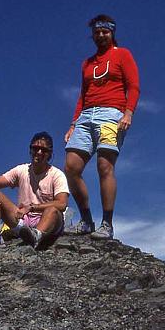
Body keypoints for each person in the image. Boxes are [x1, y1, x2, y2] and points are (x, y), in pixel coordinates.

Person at [63, 14, 140, 240]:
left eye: (104, 31)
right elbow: (82, 95)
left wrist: (128, 112)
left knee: (104, 167)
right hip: (86, 115)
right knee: (71, 167)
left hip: (111, 114)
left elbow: (134, 86)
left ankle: (107, 224)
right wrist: (73, 123)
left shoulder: (122, 54)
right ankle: (86, 220)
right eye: (97, 32)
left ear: (112, 32)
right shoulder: (87, 63)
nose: (100, 35)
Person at [0, 132, 69, 249]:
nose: (39, 152)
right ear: (30, 150)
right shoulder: (21, 170)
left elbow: (62, 203)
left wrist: (32, 207)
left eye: (43, 150)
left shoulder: (57, 175)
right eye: (36, 148)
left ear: (49, 154)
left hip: (48, 220)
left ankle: (37, 235)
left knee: (52, 210)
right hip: (23, 220)